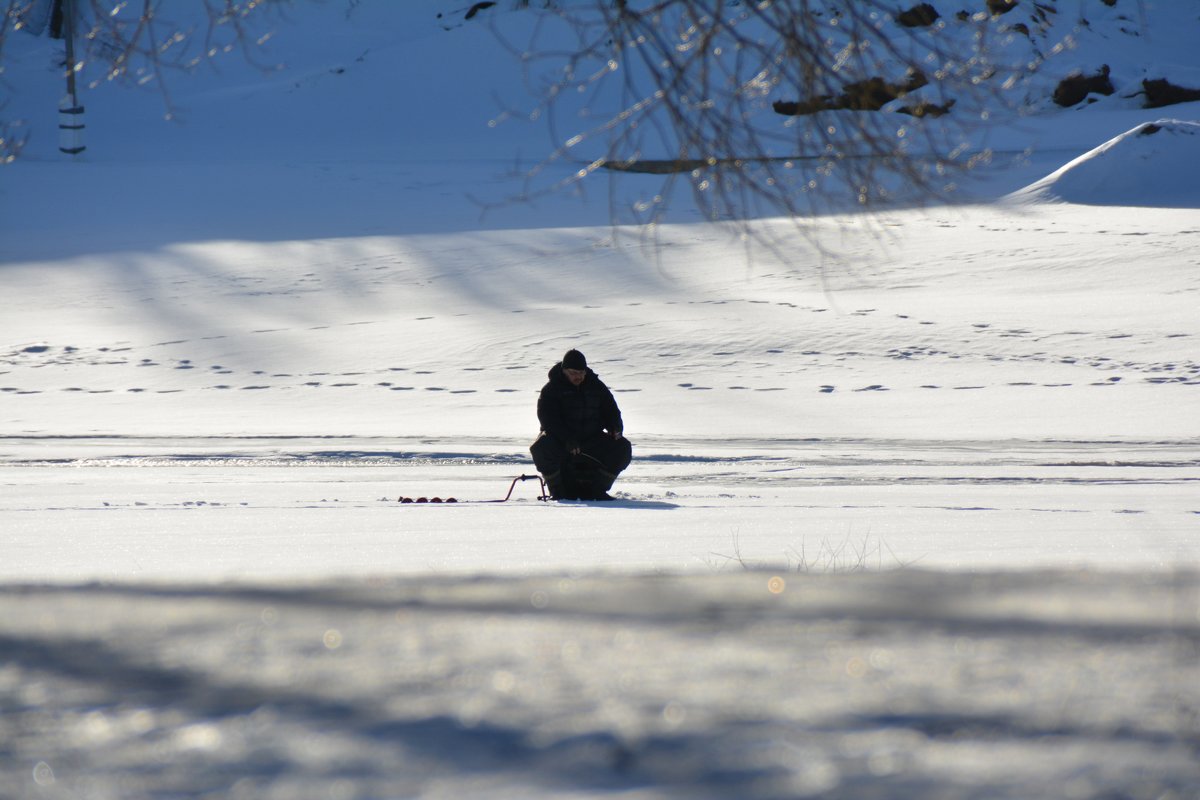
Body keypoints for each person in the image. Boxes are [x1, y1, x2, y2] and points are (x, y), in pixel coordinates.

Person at [530, 349, 632, 501]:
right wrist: (567, 439)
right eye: (573, 373)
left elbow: (611, 410)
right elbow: (548, 420)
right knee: (540, 447)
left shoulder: (596, 386)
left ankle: (598, 490)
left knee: (622, 447)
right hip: (562, 440)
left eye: (581, 373)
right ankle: (558, 492)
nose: (578, 376)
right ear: (564, 371)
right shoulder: (551, 389)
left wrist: (615, 428)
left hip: (591, 439)